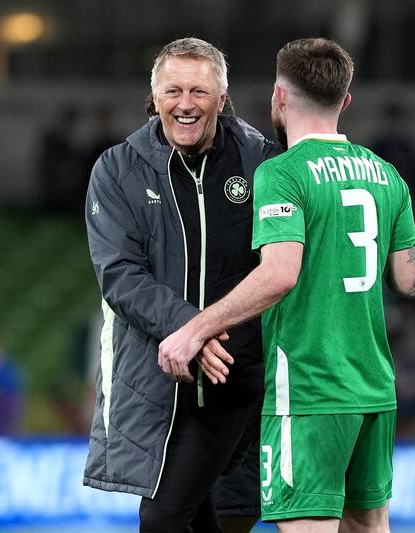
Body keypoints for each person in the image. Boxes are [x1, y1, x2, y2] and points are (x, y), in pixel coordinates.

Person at [159, 37, 415, 533]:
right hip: (373, 386)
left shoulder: (281, 173)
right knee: (369, 524)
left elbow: (280, 273)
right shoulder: (386, 175)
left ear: (278, 96)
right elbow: (411, 282)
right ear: (345, 101)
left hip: (308, 389)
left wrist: (196, 328)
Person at [84, 37, 280, 533]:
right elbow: (120, 275)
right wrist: (191, 329)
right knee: (187, 517)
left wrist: (208, 335)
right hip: (157, 382)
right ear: (154, 99)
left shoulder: (262, 163)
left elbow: (279, 268)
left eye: (199, 91)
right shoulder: (117, 169)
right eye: (173, 91)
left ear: (223, 98)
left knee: (173, 517)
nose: (186, 104)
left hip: (235, 376)